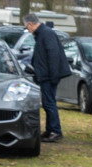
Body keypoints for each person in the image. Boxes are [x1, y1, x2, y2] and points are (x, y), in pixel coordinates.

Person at [24, 14, 70, 142]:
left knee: (49, 103)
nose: (28, 30)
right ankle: (50, 130)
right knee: (48, 103)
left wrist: (54, 76)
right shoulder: (42, 34)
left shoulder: (46, 34)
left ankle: (55, 131)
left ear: (30, 24)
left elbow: (53, 55)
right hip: (46, 75)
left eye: (27, 27)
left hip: (48, 76)